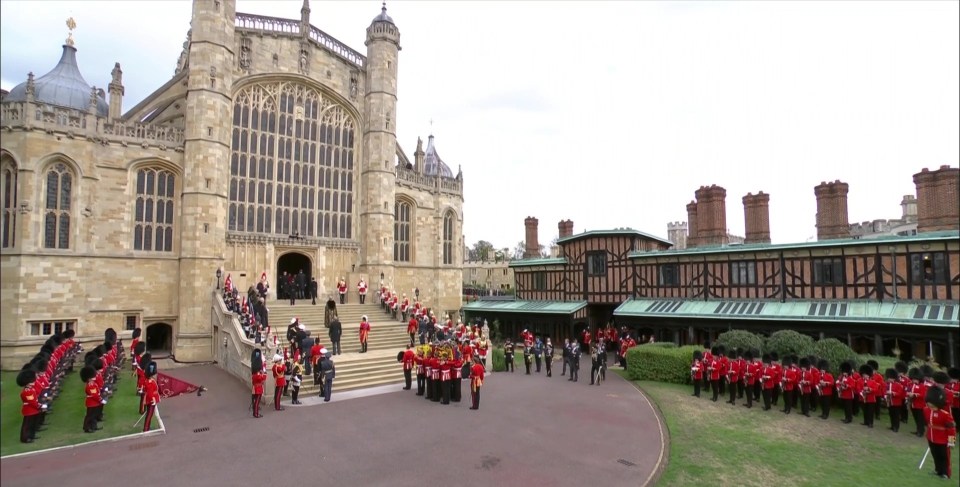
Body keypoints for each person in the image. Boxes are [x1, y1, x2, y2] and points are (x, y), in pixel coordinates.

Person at [923, 386, 956, 480]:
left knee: (944, 457)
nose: (930, 406)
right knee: (935, 455)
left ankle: (946, 473)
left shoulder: (945, 414)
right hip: (931, 437)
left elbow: (951, 429)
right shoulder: (926, 410)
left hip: (943, 440)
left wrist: (951, 441)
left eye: (932, 404)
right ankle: (938, 470)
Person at [18, 369, 45, 443]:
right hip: (29, 410)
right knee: (27, 425)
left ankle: (31, 436)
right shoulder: (27, 392)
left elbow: (35, 400)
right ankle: (25, 438)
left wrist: (39, 405)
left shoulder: (31, 389)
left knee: (33, 424)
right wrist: (39, 406)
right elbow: (32, 402)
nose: (34, 381)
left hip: (34, 409)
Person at [81, 365, 103, 432]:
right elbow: (94, 395)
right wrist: (100, 399)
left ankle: (94, 426)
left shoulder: (93, 384)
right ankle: (86, 427)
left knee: (94, 415)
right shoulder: (90, 385)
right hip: (92, 402)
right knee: (90, 416)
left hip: (95, 402)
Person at [142, 361, 160, 432]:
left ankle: (147, 427)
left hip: (150, 399)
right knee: (149, 415)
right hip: (151, 400)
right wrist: (153, 399)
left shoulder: (149, 380)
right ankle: (146, 428)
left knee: (149, 414)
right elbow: (150, 393)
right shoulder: (150, 382)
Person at [251, 349, 266, 418]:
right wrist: (263, 374)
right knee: (257, 401)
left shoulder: (255, 374)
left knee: (256, 400)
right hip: (258, 388)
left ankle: (255, 412)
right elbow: (263, 378)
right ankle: (256, 413)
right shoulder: (257, 375)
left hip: (256, 387)